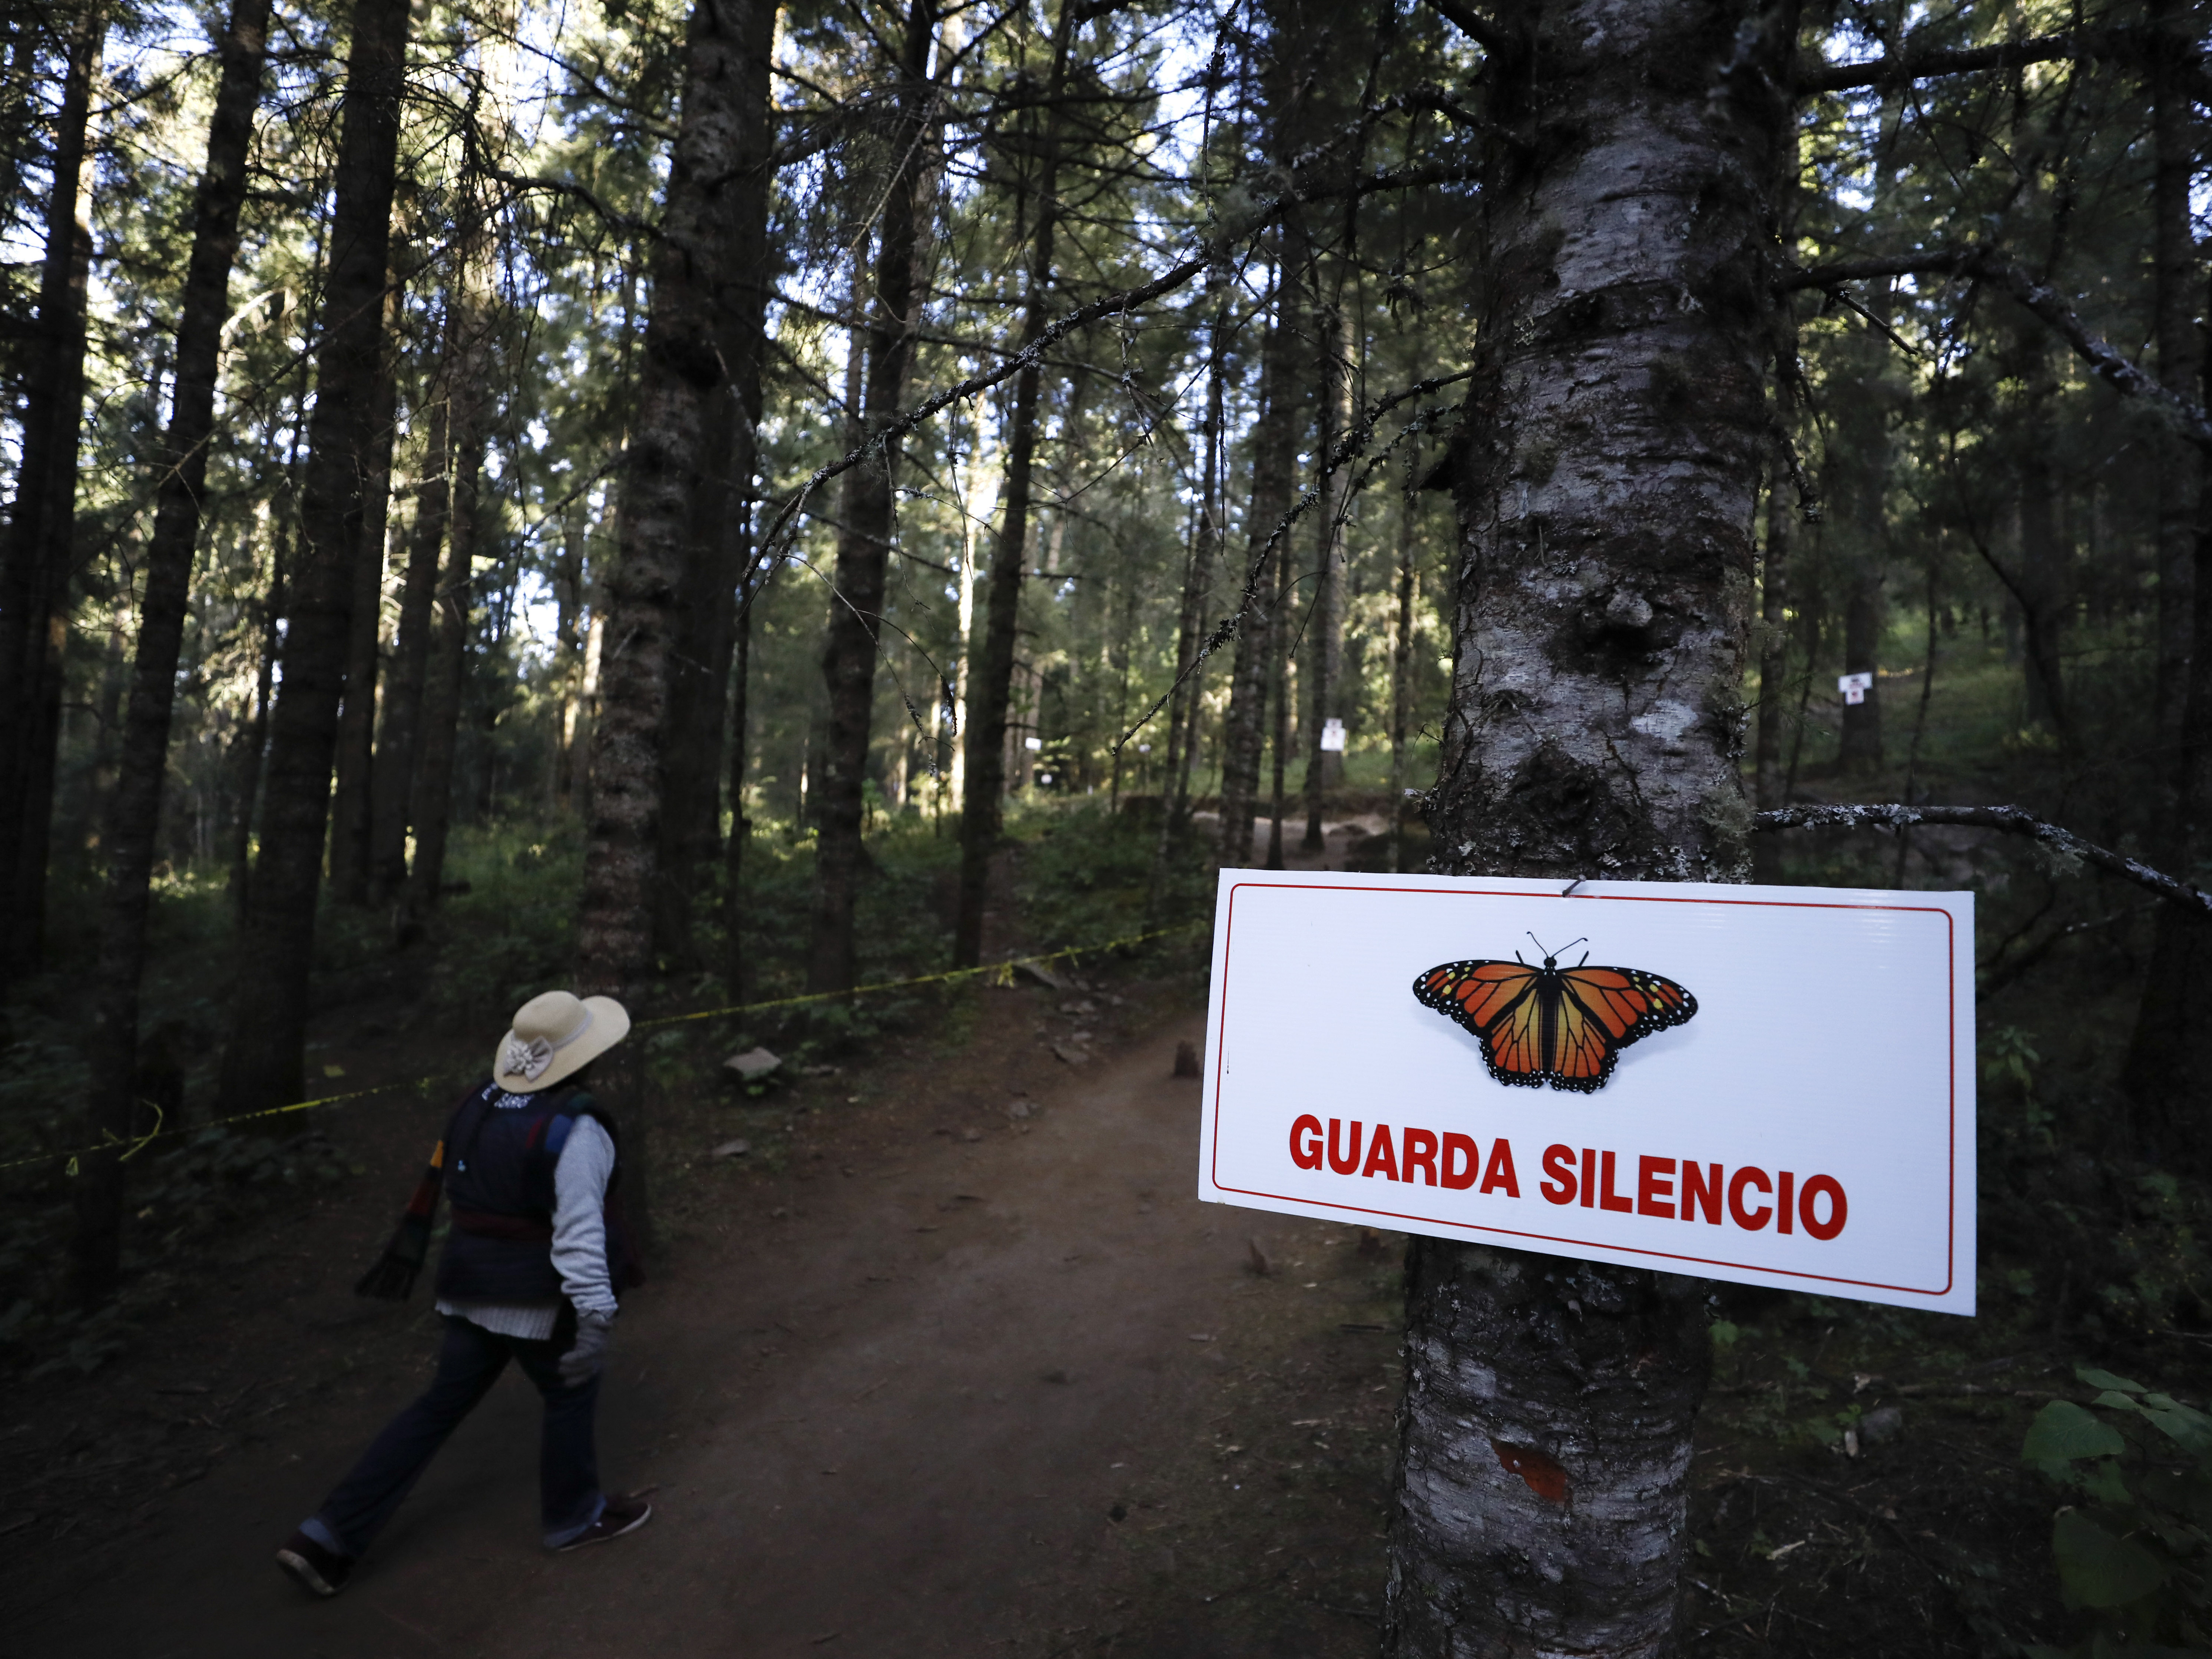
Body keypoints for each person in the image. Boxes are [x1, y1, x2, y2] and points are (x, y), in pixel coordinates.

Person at [276, 990, 649, 1596]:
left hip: (469, 1285)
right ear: (588, 1056)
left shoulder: (476, 1102)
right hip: (533, 1296)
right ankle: (573, 1518)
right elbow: (579, 1236)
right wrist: (596, 1319)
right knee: (571, 1390)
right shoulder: (575, 1128)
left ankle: (325, 1537)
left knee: (436, 1408)